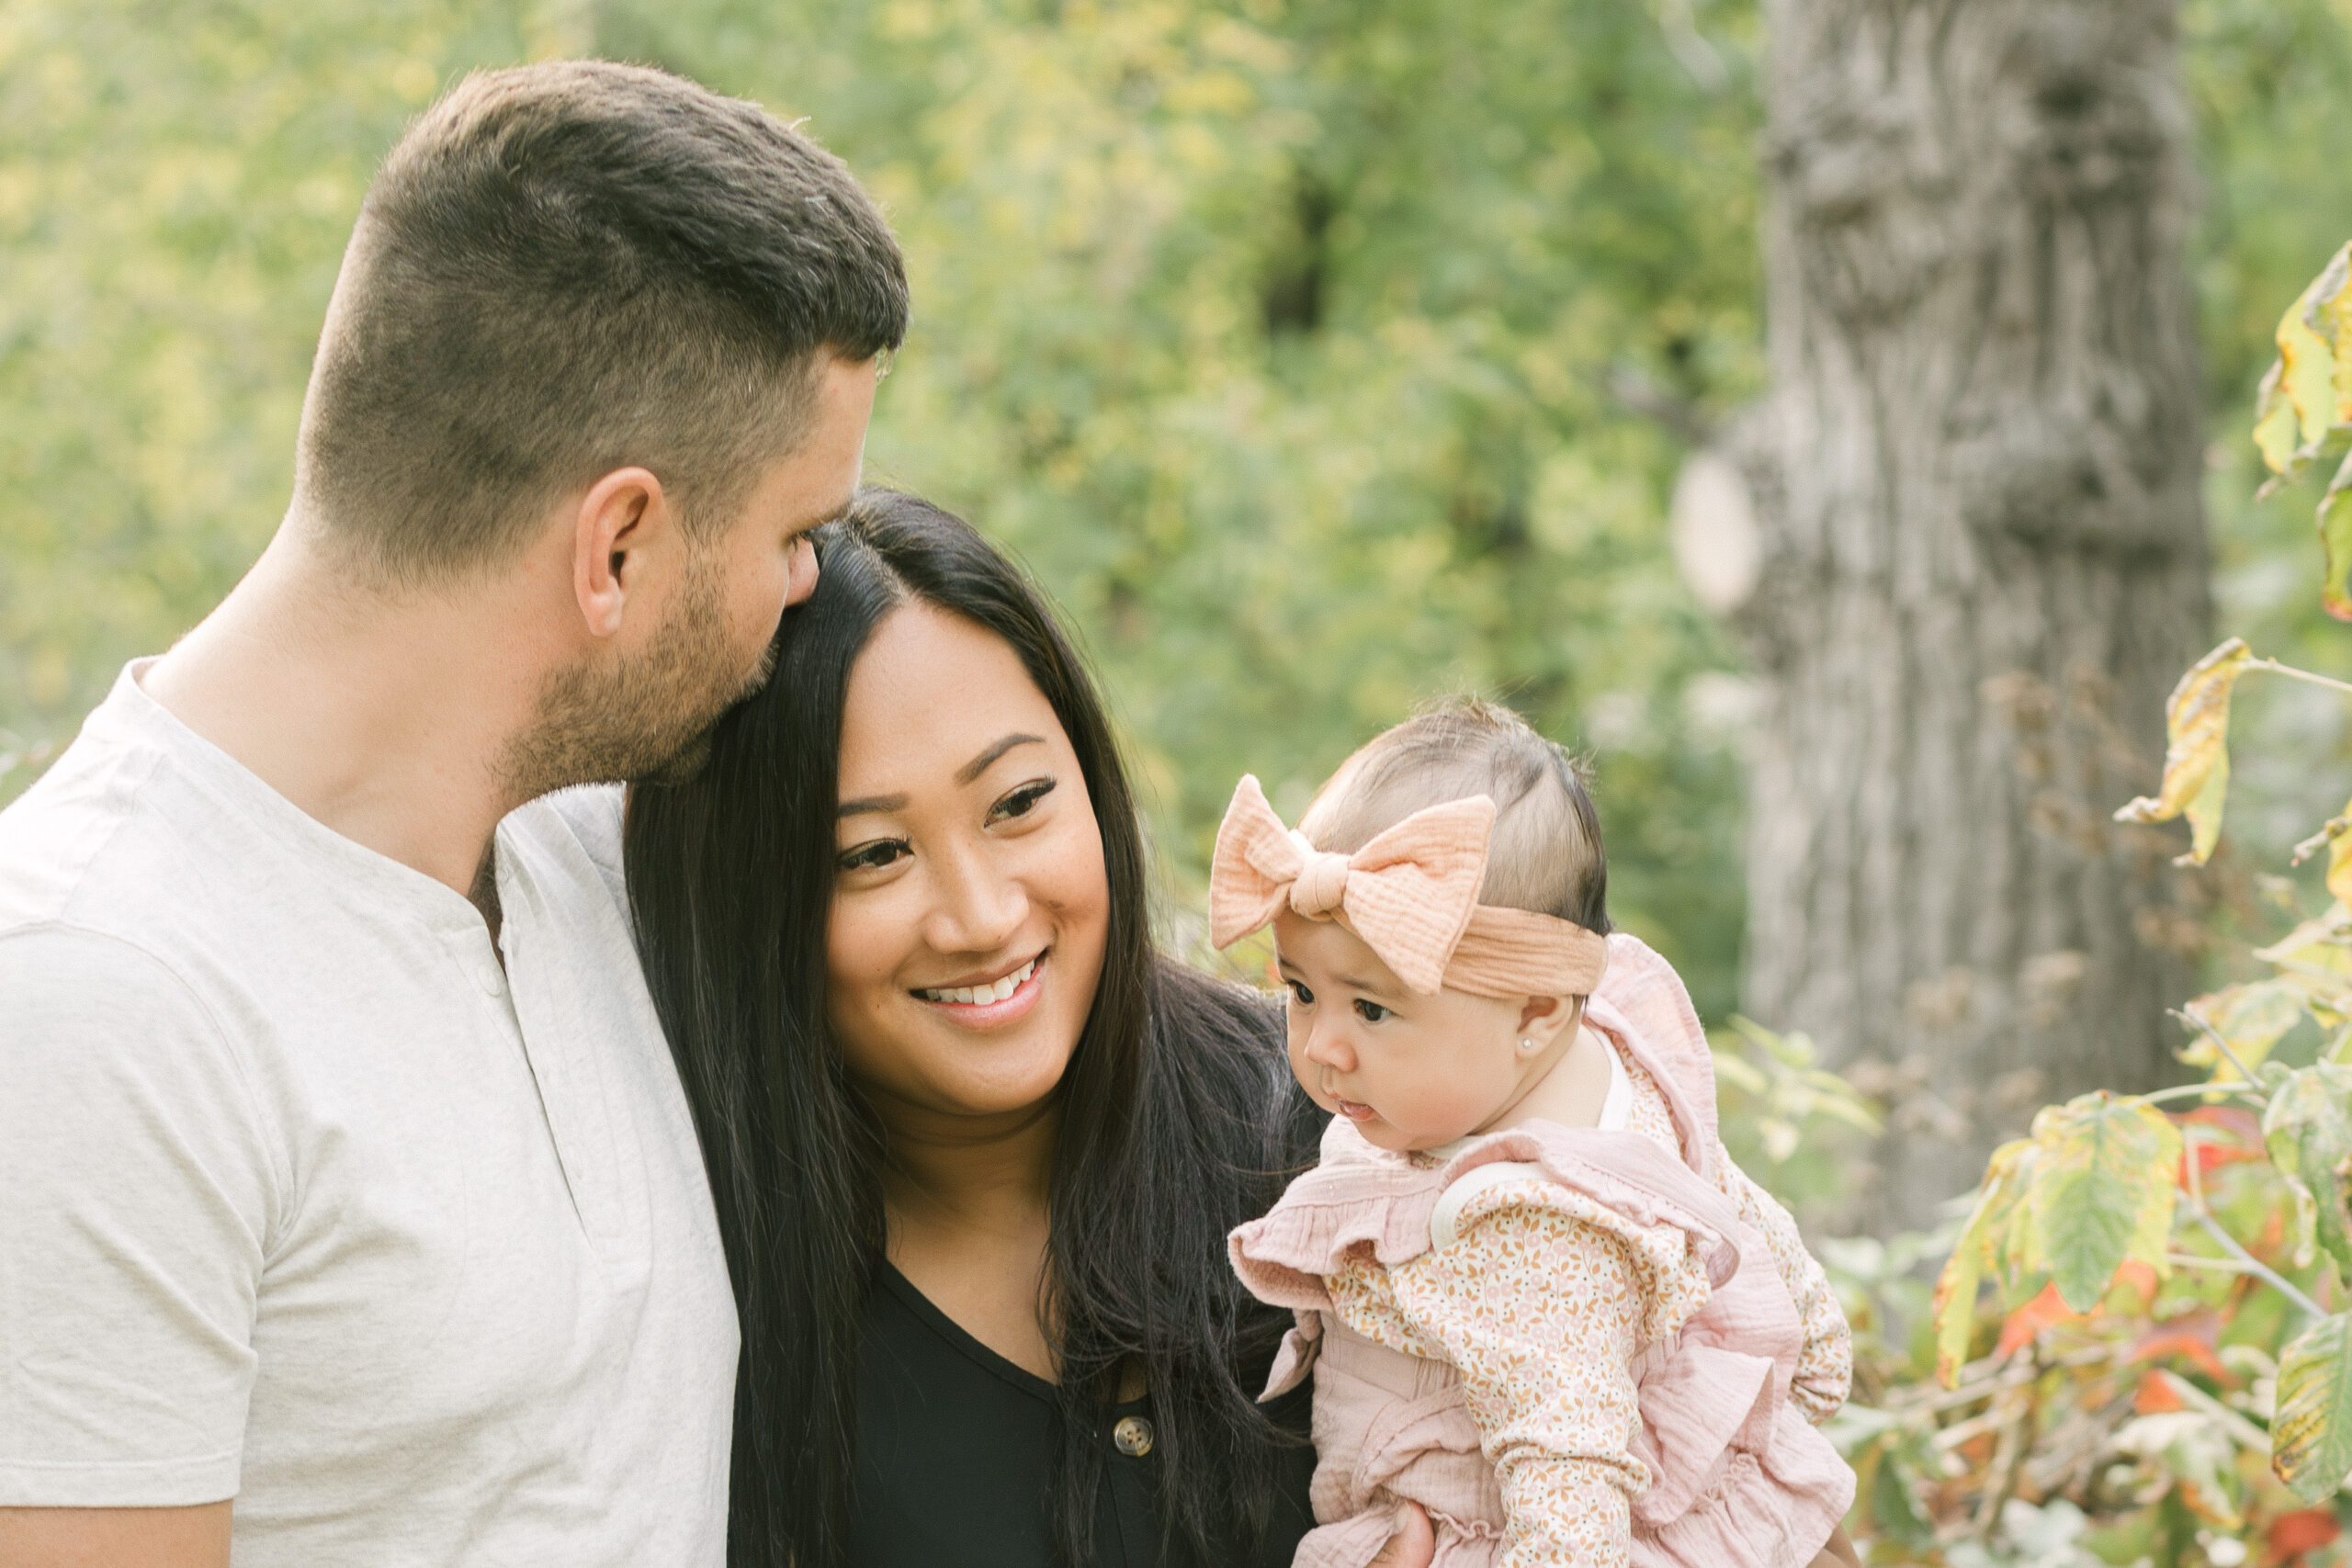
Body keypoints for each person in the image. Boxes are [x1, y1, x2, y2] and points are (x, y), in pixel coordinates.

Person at [0, 62, 904, 1567]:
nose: (813, 586)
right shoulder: (94, 999)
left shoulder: (589, 849)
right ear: (617, 542)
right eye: (795, 533)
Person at [624, 490, 1443, 1568]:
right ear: (749, 903)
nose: (982, 917)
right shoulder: (705, 1312)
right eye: (873, 855)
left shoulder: (1346, 1146)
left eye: (1017, 804)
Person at [1216, 704, 1864, 1568]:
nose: (1321, 1045)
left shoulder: (1531, 1228)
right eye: (1300, 991)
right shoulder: (1606, 1057)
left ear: (1532, 1013)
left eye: (1371, 1007)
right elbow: (1720, 1192)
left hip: (1494, 1531)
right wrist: (1811, 1340)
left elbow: (1571, 1483)